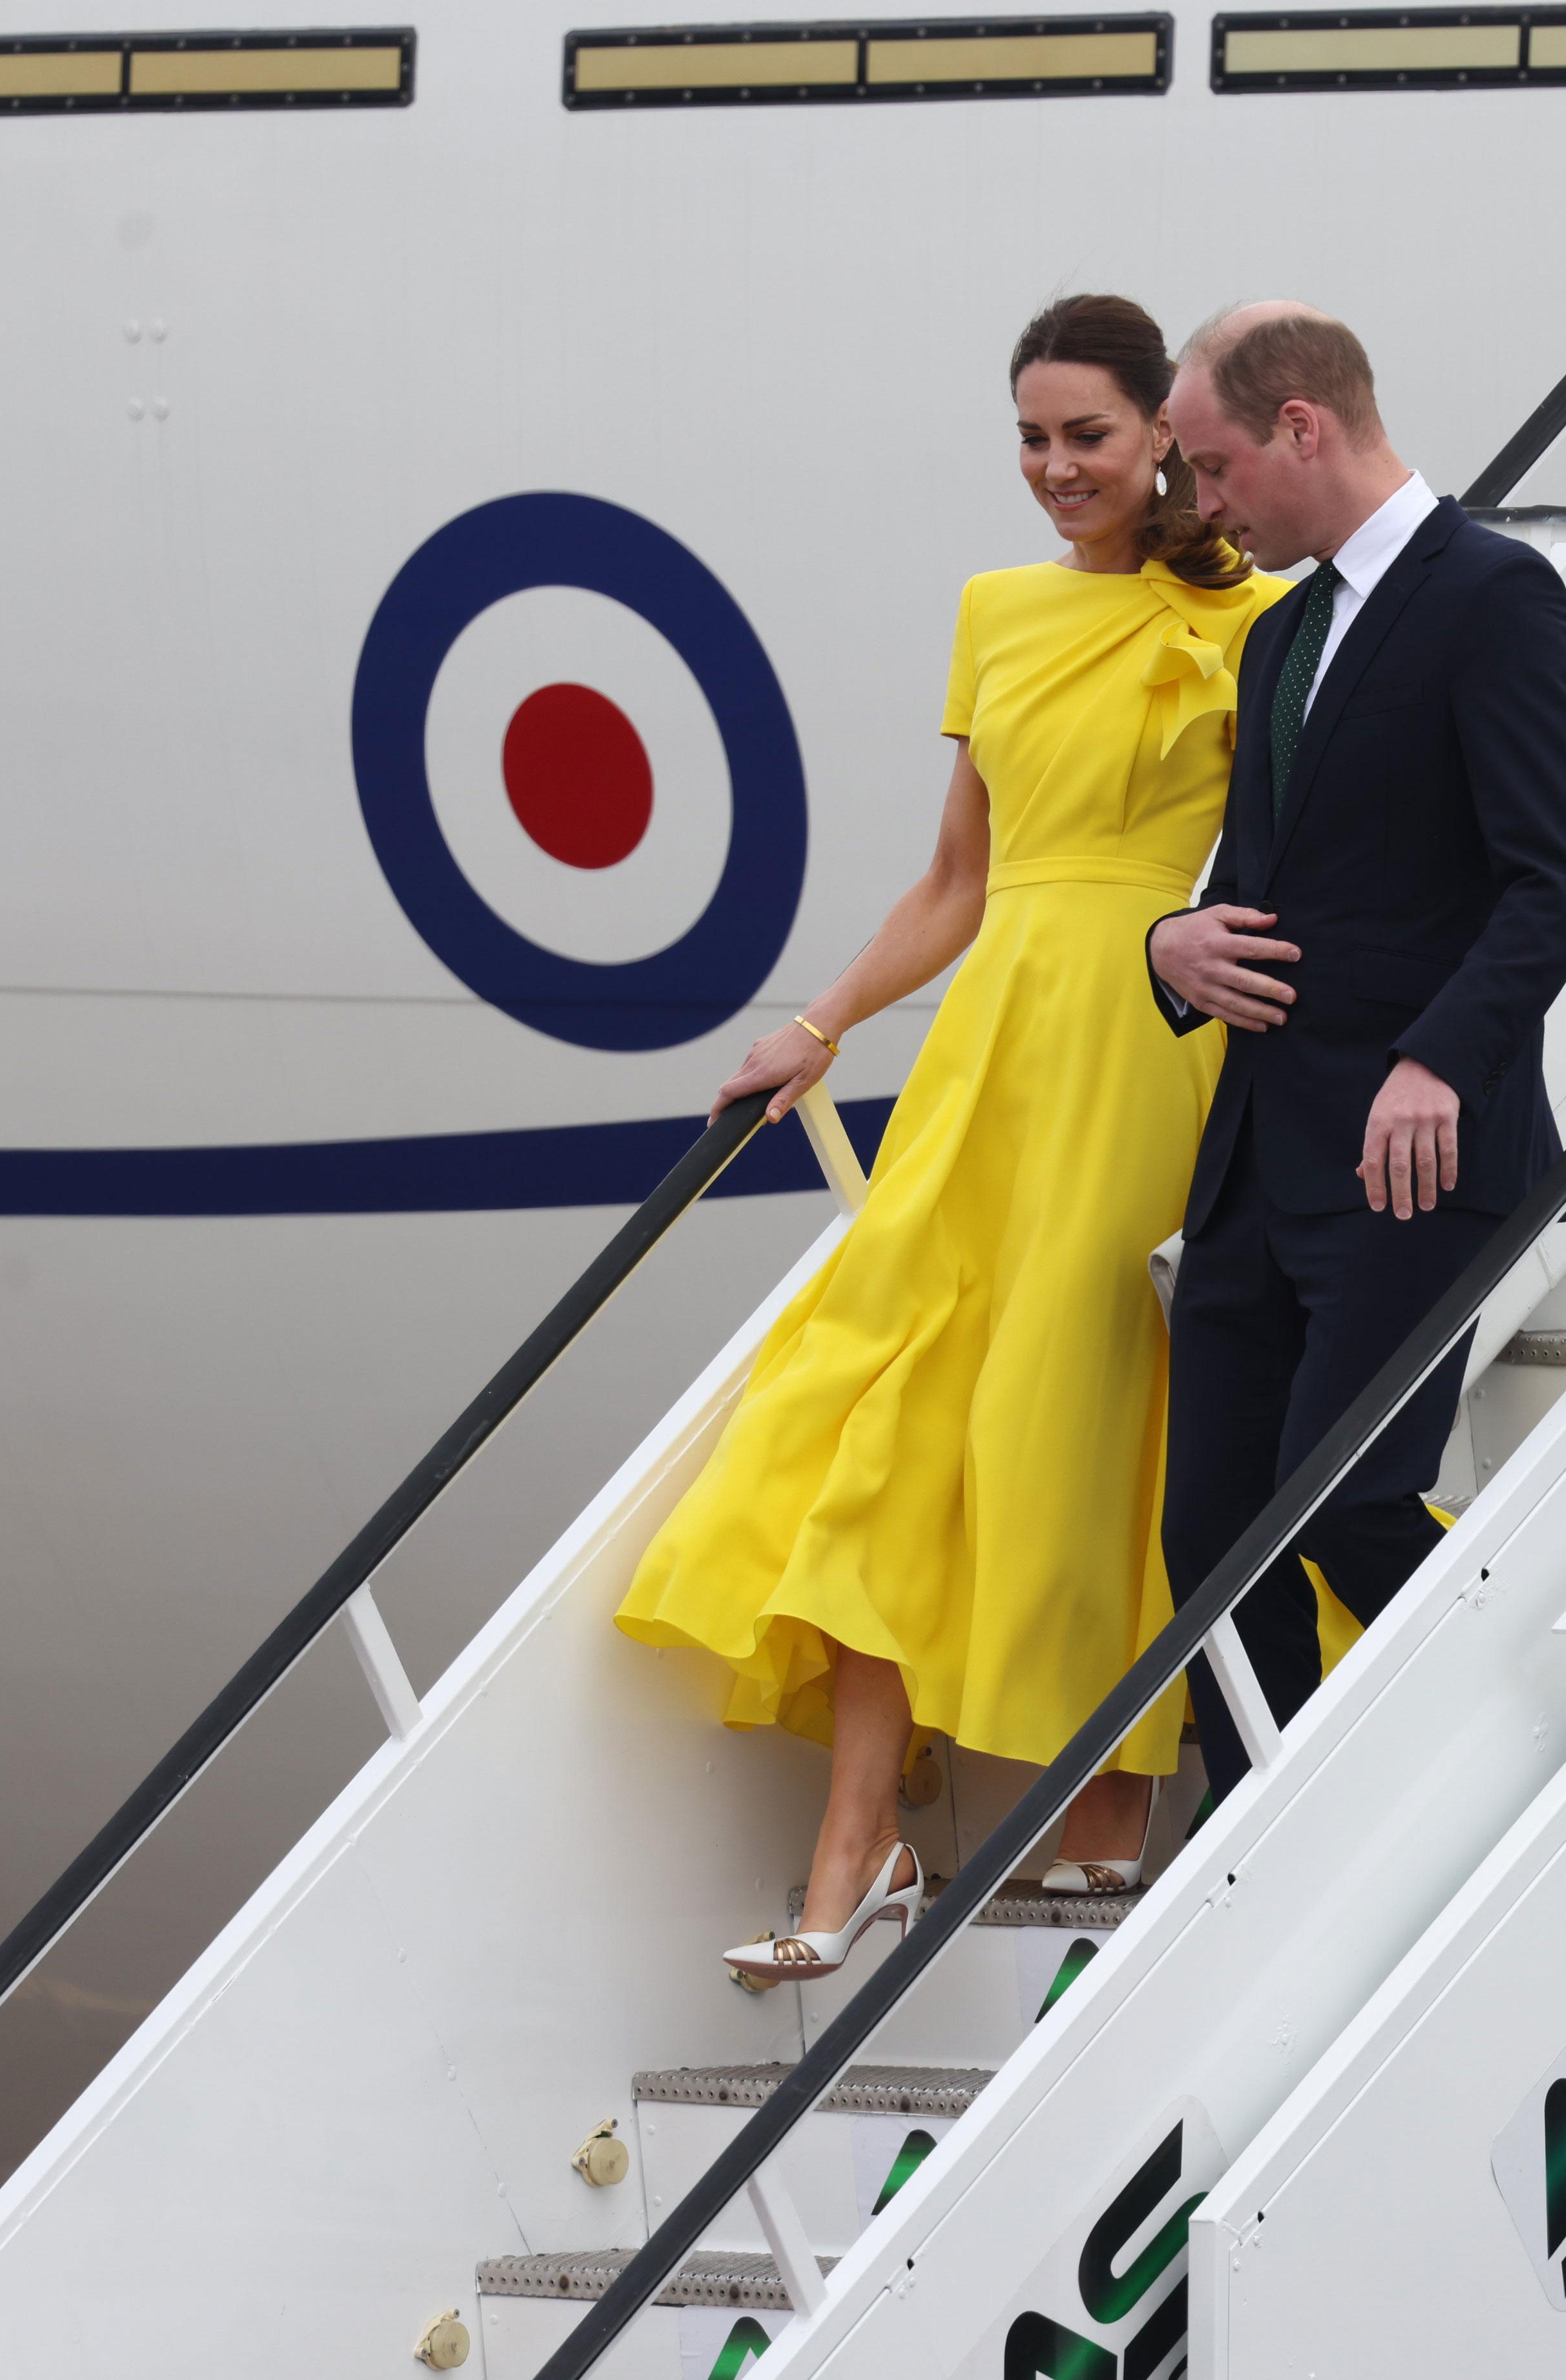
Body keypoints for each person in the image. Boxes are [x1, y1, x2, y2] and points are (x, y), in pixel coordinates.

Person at [618, 296, 1283, 1982]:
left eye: (1089, 436)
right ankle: (858, 1844)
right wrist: (820, 1026)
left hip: (1153, 1040)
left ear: (1162, 440)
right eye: (1032, 437)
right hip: (995, 1052)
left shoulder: (1265, 617)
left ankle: (1105, 1842)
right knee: (888, 1405)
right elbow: (960, 887)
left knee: (1085, 1421)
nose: (1056, 469)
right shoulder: (994, 612)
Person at [1147, 302, 1566, 1795]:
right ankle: (1256, 1842)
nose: (1203, 511)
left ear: (1302, 427)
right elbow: (1270, 881)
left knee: (1339, 1501)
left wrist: (1439, 1058)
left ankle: (1548, 1733)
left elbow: (1558, 878)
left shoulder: (1495, 595)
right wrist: (1173, 944)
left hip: (1412, 1158)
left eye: (1213, 471)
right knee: (1211, 1539)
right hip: (1255, 1165)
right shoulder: (1279, 634)